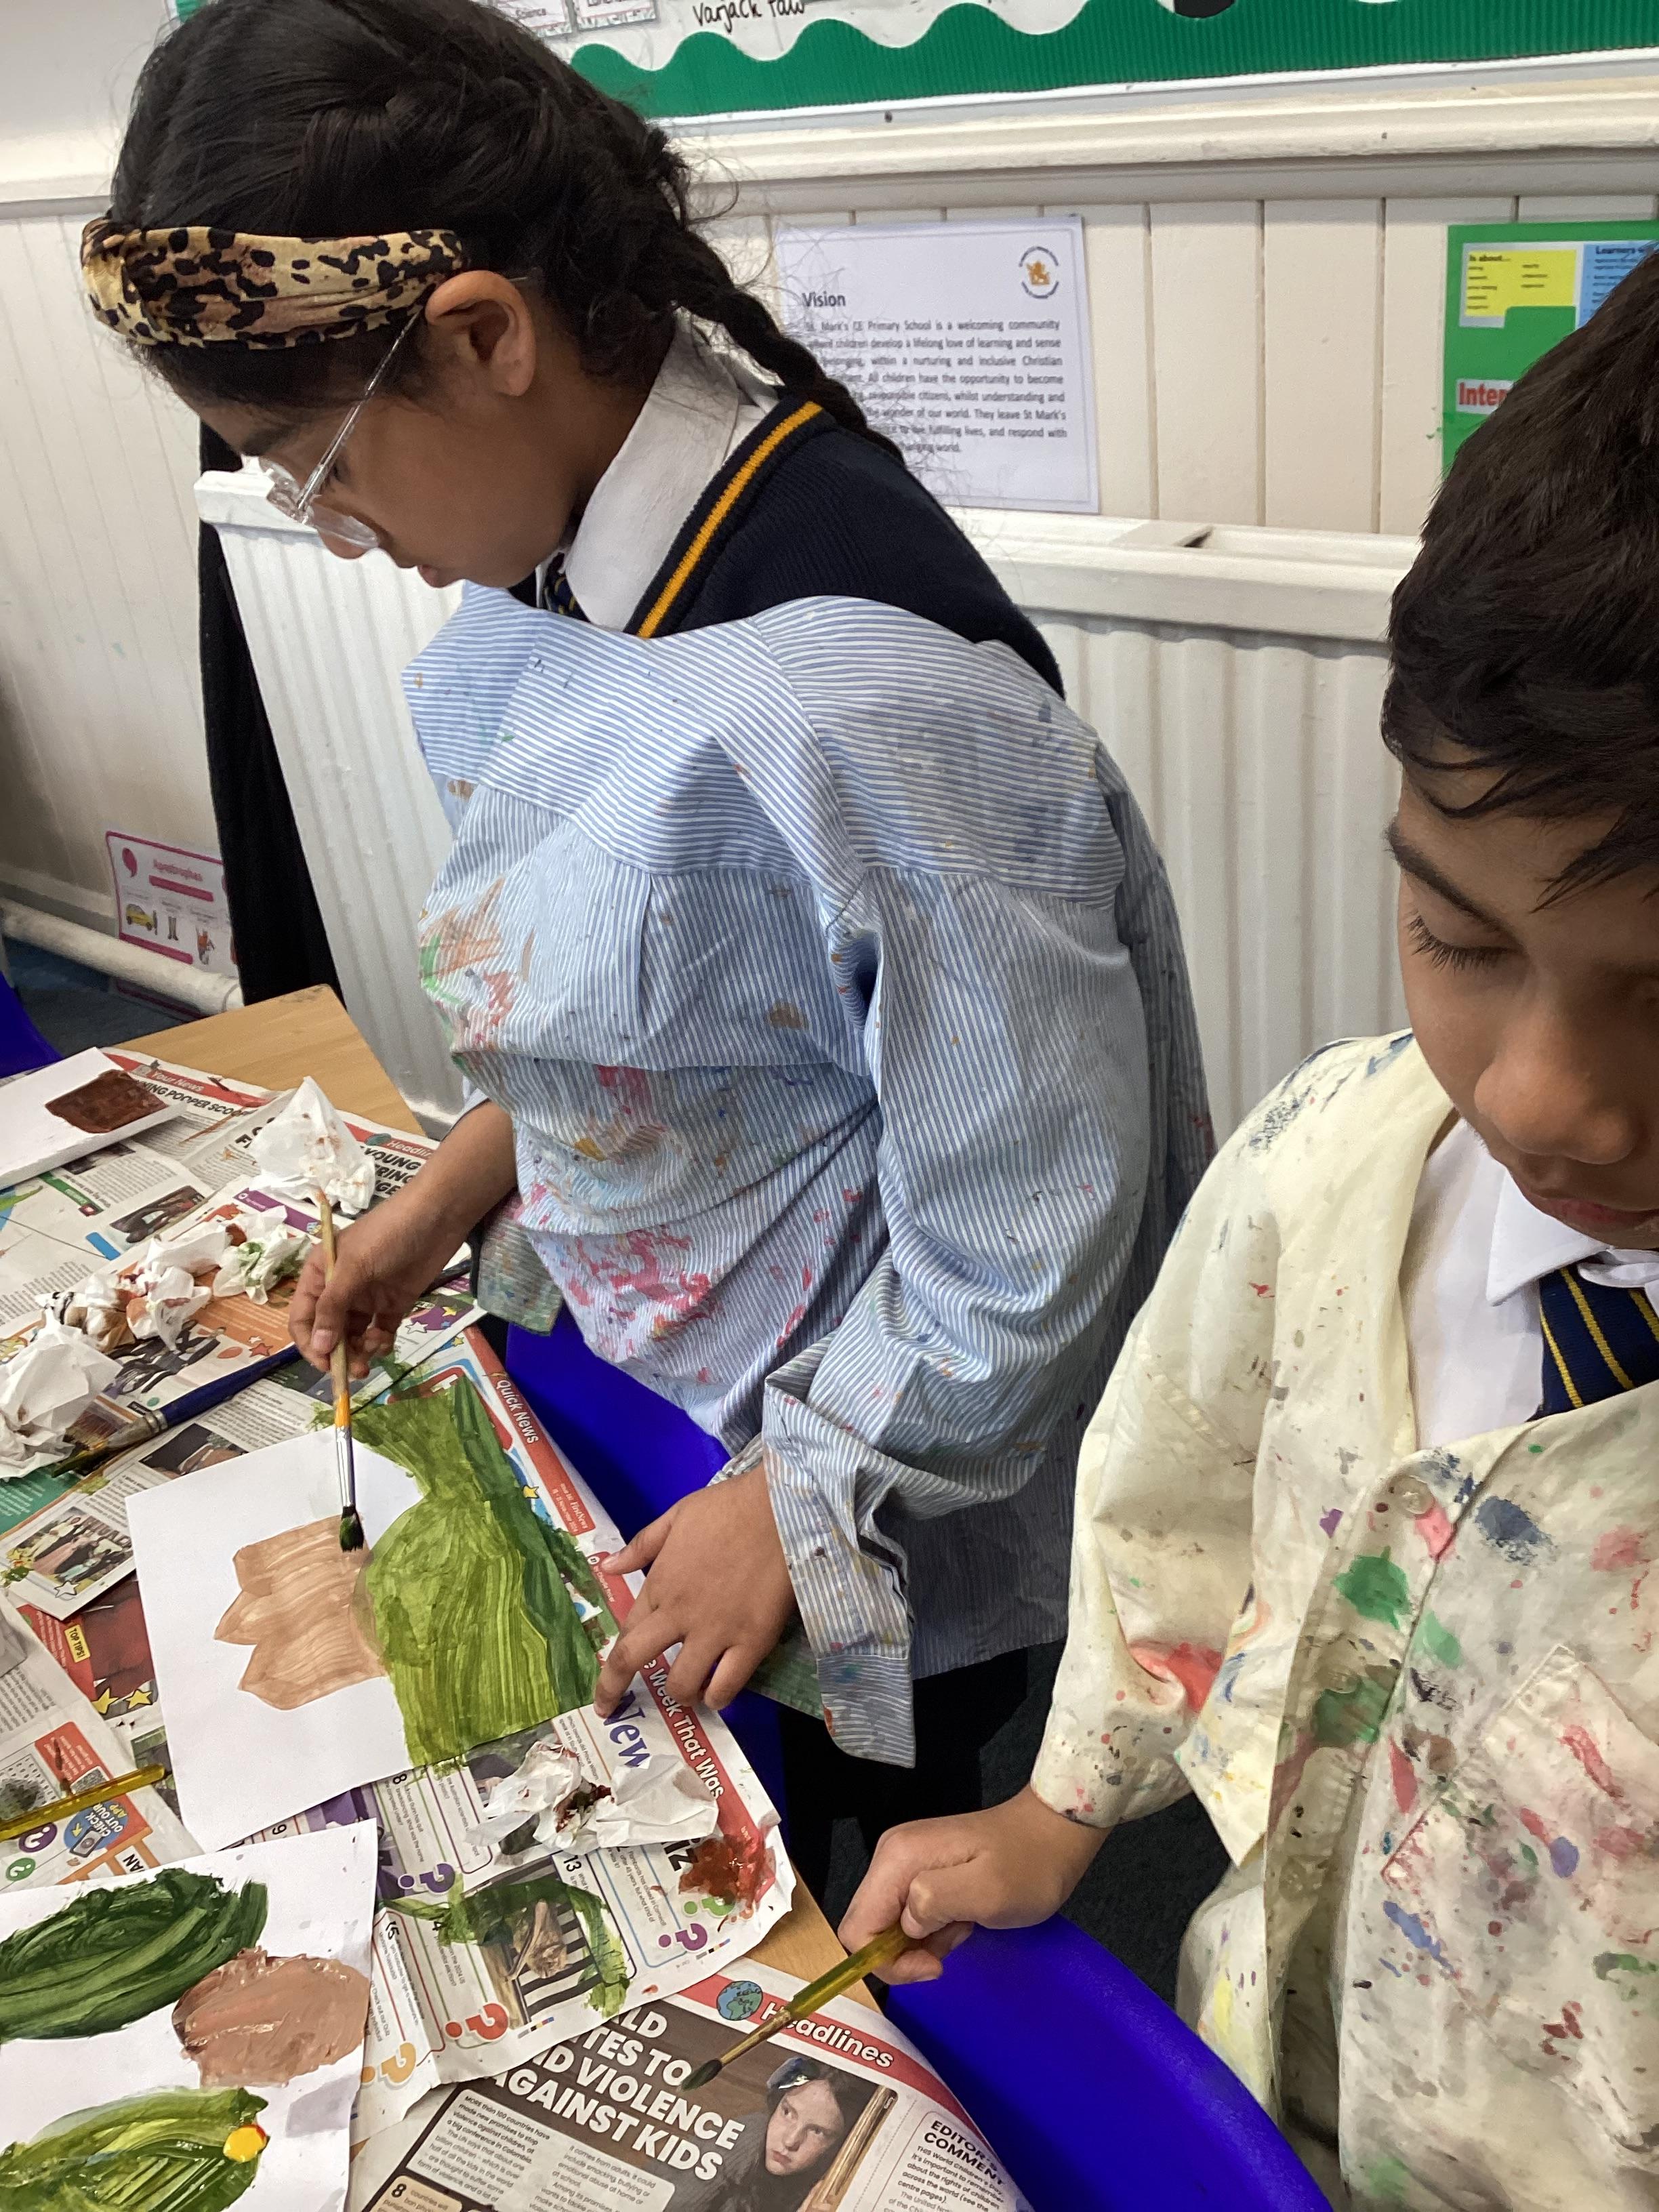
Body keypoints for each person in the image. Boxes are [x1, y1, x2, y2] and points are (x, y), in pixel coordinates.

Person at [85, 0, 1207, 1892]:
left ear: (483, 336)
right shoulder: (578, 534)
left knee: (839, 1833)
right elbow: (661, 1013)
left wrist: (800, 1495)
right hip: (702, 1385)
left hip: (874, 1455)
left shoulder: (866, 693)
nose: (333, 531)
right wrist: (447, 1194)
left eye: (317, 466)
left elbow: (1027, 1229)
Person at [843, 249, 1659, 2207]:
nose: (1540, 1099)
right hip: (1263, 2070)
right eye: (1459, 936)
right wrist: (1060, 1813)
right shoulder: (1329, 1164)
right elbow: (1173, 1502)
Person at [676, 2058, 869, 2212]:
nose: (790, 2141)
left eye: (817, 2131)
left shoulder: (840, 2185)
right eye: (787, 2112)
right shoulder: (745, 2138)